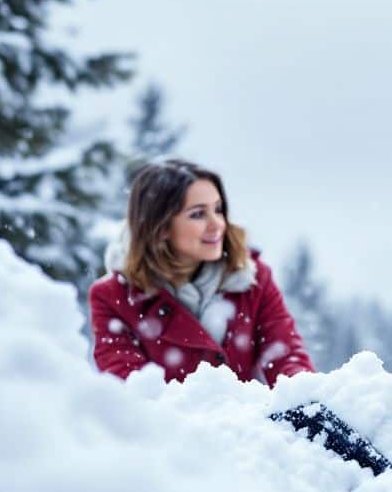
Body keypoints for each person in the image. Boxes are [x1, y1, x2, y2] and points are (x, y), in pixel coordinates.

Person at [90, 159, 314, 386]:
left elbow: (285, 355)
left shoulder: (253, 279)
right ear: (161, 227)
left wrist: (304, 396)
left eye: (218, 209)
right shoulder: (114, 297)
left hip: (249, 420)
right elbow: (130, 388)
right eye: (198, 214)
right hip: (165, 421)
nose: (217, 224)